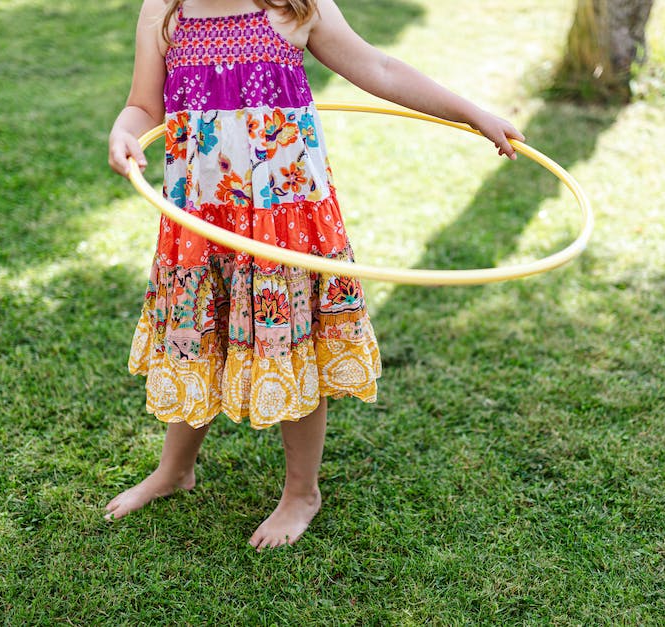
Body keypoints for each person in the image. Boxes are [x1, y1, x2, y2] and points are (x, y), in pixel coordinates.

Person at [106, 0, 525, 551]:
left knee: (290, 342)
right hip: (205, 214)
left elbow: (379, 69)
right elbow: (143, 105)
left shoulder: (292, 5)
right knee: (197, 337)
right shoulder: (166, 9)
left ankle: (302, 492)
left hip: (286, 217)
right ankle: (173, 471)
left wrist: (472, 113)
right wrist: (124, 131)